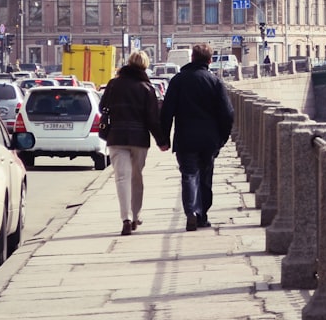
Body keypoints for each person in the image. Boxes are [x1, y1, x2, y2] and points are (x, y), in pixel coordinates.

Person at [159, 43, 234, 232]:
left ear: (191, 58)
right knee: (205, 177)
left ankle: (191, 212)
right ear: (210, 60)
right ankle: (202, 216)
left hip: (185, 138)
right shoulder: (215, 82)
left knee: (189, 175)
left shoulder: (178, 80)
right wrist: (222, 138)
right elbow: (227, 113)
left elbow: (167, 112)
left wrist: (164, 138)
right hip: (209, 140)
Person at [99, 50, 169, 236]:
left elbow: (102, 107)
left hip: (116, 137)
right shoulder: (146, 88)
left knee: (121, 178)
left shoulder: (113, 84)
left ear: (128, 63)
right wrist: (162, 141)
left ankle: (126, 219)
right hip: (139, 139)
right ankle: (136, 215)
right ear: (145, 65)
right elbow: (153, 119)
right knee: (136, 177)